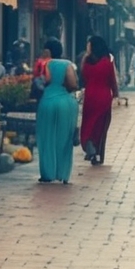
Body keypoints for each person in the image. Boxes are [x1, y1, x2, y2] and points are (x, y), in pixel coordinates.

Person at [35, 38, 79, 183]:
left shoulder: (43, 63)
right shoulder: (67, 64)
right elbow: (73, 84)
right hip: (66, 103)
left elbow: (39, 82)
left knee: (47, 138)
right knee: (64, 138)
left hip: (47, 102)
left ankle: (47, 174)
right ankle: (62, 174)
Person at [79, 34, 118, 166]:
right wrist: (116, 94)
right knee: (101, 126)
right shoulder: (107, 62)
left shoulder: (87, 62)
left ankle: (89, 144)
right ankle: (98, 153)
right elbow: (112, 80)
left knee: (89, 123)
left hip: (90, 96)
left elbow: (83, 76)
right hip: (104, 96)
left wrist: (85, 57)